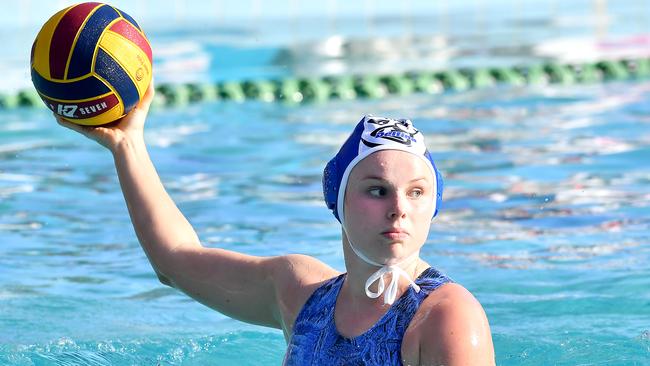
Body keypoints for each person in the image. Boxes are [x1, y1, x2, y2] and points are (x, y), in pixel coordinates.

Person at [57, 82, 495, 365]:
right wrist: (127, 145)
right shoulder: (301, 298)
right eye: (377, 190)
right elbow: (176, 263)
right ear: (338, 201)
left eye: (417, 192)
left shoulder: (444, 318)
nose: (399, 208)